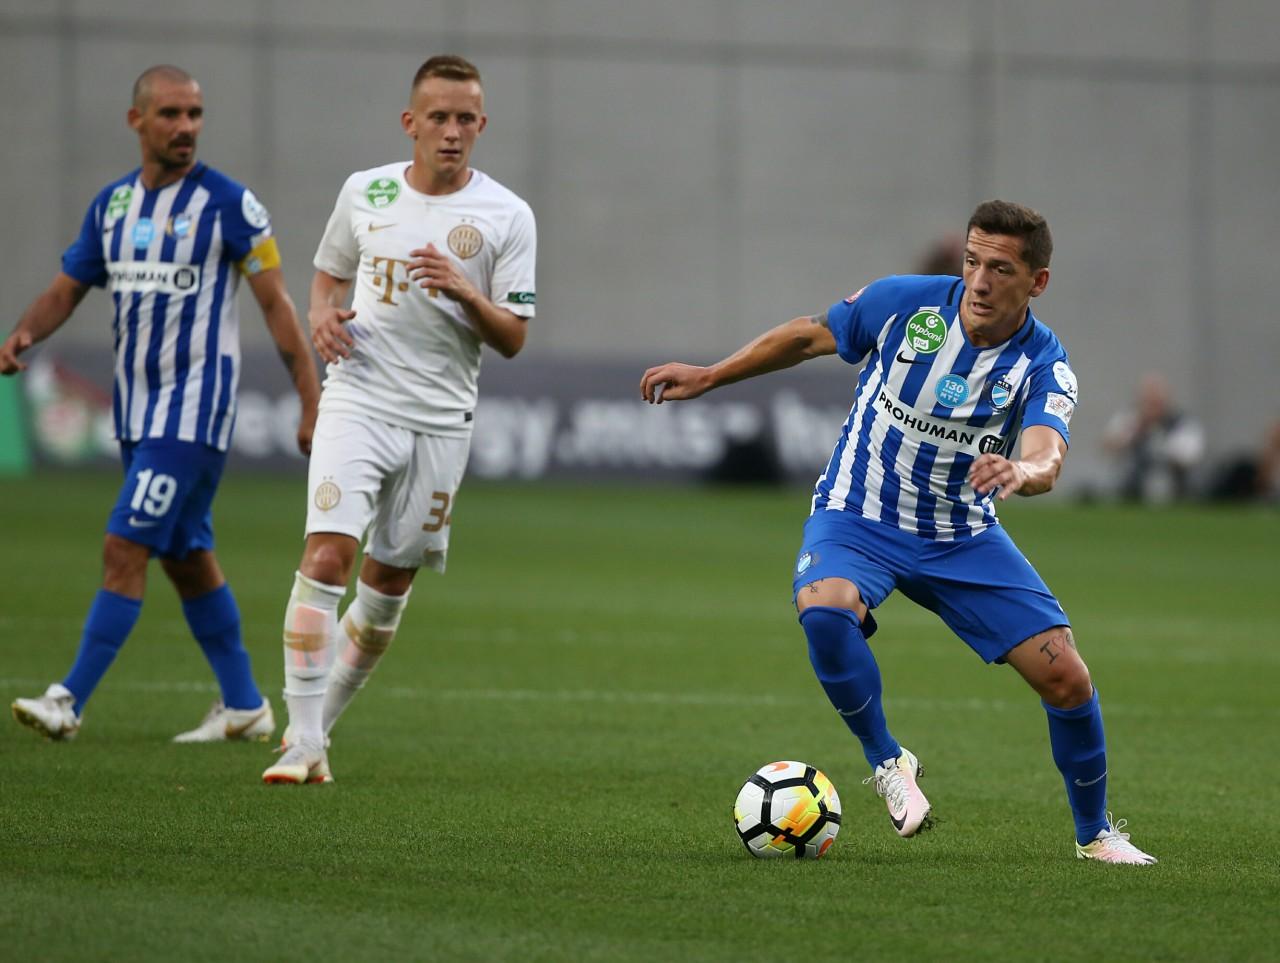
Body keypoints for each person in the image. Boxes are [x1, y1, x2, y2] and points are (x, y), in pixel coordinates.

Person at [641, 200, 1156, 865]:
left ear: (1038, 282)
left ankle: (1096, 835)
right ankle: (888, 761)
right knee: (824, 610)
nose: (979, 282)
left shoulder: (1043, 365)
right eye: (972, 262)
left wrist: (1020, 470)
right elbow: (807, 336)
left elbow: (1047, 456)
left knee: (1066, 678)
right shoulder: (902, 304)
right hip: (859, 512)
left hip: (960, 534)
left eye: (1000, 269)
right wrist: (712, 374)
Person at [3, 65, 320, 744]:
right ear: (136, 120)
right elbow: (67, 288)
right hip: (136, 414)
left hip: (194, 411)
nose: (185, 127)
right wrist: (26, 332)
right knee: (185, 555)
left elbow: (277, 305)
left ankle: (68, 699)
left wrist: (309, 398)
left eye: (194, 114)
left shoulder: (230, 205)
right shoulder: (113, 207)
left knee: (125, 544)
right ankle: (245, 704)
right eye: (171, 113)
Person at [262, 55, 537, 785]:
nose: (452, 131)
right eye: (438, 117)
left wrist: (465, 292)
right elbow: (328, 276)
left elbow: (513, 338)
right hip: (358, 399)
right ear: (410, 122)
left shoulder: (507, 215)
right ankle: (302, 740)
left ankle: (318, 731)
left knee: (386, 590)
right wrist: (321, 316)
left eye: (465, 119)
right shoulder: (367, 191)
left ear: (482, 124)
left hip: (441, 421)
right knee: (327, 556)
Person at [1101, 372, 1204, 503]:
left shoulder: (1182, 424)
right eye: (1148, 401)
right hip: (1132, 486)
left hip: (1174, 486)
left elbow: (1189, 457)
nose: (1151, 407)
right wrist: (1135, 433)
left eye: (1156, 402)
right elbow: (1108, 446)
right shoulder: (1130, 419)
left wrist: (1162, 446)